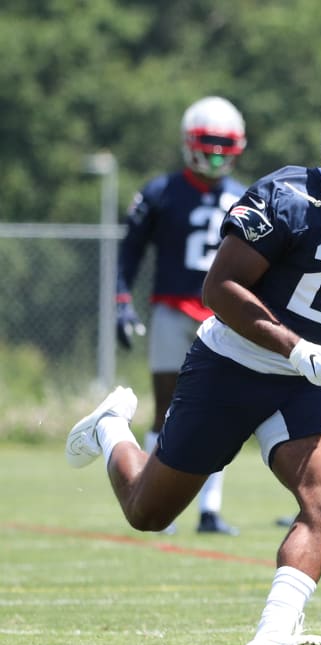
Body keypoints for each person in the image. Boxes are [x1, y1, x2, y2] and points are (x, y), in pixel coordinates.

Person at [65, 77, 321, 645]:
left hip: (299, 381)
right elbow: (220, 289)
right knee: (150, 513)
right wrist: (296, 346)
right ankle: (109, 429)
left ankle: (272, 637)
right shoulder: (286, 197)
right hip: (230, 365)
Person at [115, 96, 248, 536]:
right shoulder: (160, 192)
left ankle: (209, 510)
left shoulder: (246, 196)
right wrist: (121, 300)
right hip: (173, 306)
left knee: (223, 412)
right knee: (166, 409)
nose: (214, 155)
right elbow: (128, 251)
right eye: (206, 145)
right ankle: (153, 498)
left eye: (222, 146)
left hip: (223, 313)